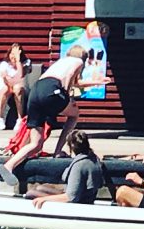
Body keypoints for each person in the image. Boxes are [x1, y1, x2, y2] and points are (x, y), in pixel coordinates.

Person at [9, 41, 86, 170]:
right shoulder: (78, 61)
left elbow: (77, 82)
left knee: (36, 143)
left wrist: (97, 81)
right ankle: (57, 151)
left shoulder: (61, 63)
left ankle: (9, 166)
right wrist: (66, 94)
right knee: (74, 114)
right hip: (51, 89)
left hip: (36, 90)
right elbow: (70, 75)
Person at [31, 126, 109, 207]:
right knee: (39, 188)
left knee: (31, 193)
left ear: (71, 147)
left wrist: (43, 199)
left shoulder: (79, 166)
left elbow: (71, 196)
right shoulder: (93, 159)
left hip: (79, 202)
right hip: (84, 196)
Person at [0, 43, 28, 132]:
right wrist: (12, 81)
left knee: (17, 88)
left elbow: (20, 77)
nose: (14, 56)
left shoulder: (26, 63)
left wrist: (18, 61)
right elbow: (6, 81)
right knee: (5, 89)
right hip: (7, 87)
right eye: (12, 53)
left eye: (16, 54)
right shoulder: (4, 64)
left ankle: (20, 119)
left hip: (21, 88)